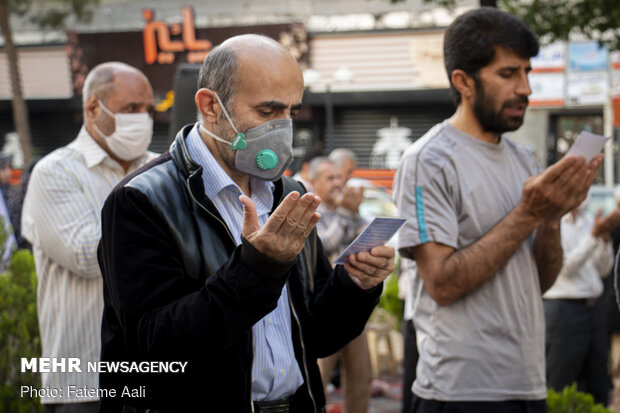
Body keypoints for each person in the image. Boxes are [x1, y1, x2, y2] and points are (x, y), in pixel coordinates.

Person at [97, 34, 395, 413]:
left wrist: (356, 285)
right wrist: (257, 268)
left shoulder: (288, 192)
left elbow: (315, 335)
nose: (283, 129)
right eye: (268, 112)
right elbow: (154, 348)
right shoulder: (142, 200)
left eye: (292, 112)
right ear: (210, 107)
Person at [393, 8, 602, 413]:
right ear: (463, 82)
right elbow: (442, 284)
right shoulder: (429, 161)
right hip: (458, 392)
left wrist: (553, 218)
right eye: (508, 74)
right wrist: (528, 213)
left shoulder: (525, 161)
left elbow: (538, 281)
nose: (526, 88)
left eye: (527, 72)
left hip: (527, 385)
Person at [21, 62, 156, 413]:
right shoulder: (56, 171)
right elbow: (85, 255)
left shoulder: (161, 167)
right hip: (84, 382)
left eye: (147, 109)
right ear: (94, 108)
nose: (142, 118)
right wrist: (158, 225)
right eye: (130, 109)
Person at [308, 156, 371, 412]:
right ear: (314, 182)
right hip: (324, 304)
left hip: (353, 301)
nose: (338, 183)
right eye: (330, 178)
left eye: (339, 177)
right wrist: (346, 213)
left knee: (361, 375)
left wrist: (351, 213)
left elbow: (366, 242)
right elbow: (325, 245)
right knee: (318, 375)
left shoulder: (344, 209)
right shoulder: (310, 209)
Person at [543, 199, 620, 405]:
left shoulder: (589, 221)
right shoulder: (553, 222)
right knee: (561, 381)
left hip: (594, 309)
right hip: (564, 311)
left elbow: (603, 269)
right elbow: (565, 267)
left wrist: (603, 240)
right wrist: (594, 235)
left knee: (598, 382)